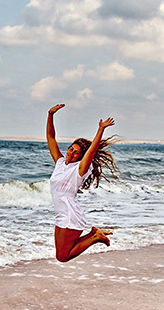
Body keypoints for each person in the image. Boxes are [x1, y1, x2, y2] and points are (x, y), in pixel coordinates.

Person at [46, 103, 117, 262]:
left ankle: (95, 237)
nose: (72, 153)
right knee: (62, 253)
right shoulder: (60, 163)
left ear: (80, 156)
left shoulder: (80, 169)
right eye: (71, 149)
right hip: (60, 214)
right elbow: (50, 138)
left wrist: (101, 129)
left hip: (70, 214)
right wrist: (50, 115)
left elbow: (91, 150)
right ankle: (94, 234)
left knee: (63, 256)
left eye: (77, 152)